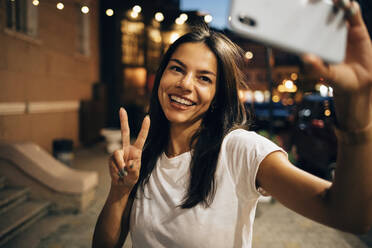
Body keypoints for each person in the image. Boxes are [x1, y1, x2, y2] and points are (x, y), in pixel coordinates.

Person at [93, 1, 372, 247]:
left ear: (218, 95)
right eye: (177, 68)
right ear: (161, 76)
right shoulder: (145, 155)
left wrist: (356, 103)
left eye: (204, 78)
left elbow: (349, 215)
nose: (185, 84)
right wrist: (120, 190)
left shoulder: (241, 150)